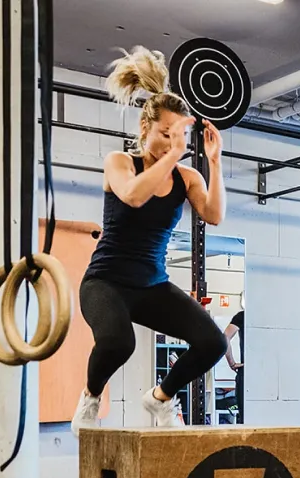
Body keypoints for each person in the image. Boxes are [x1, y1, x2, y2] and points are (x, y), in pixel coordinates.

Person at [70, 46, 228, 436]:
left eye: (180, 135)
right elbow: (134, 196)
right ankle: (90, 398)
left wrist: (215, 161)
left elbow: (214, 215)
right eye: (166, 134)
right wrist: (173, 156)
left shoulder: (187, 177)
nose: (173, 142)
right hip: (106, 283)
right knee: (119, 343)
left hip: (151, 286)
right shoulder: (120, 163)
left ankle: (160, 397)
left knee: (213, 343)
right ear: (145, 129)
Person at [224, 306, 244, 423]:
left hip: (246, 371)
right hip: (269, 374)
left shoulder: (242, 316)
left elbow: (225, 337)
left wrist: (231, 363)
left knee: (245, 419)